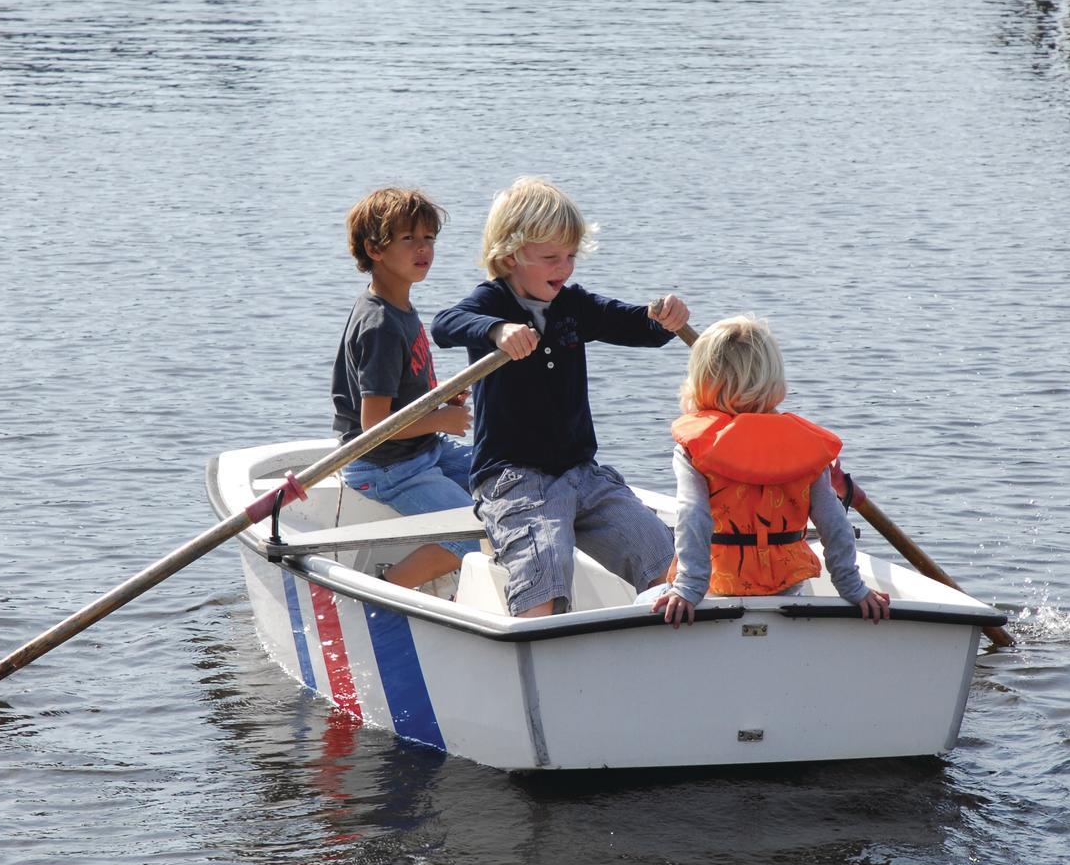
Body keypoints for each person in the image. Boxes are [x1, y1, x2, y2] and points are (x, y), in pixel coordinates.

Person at [431, 177, 690, 618]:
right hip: (514, 477)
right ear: (510, 256)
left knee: (669, 564)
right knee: (545, 572)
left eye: (570, 256)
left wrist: (664, 318)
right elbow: (445, 324)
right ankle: (537, 639)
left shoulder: (572, 305)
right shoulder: (491, 302)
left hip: (582, 473)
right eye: (551, 258)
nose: (565, 268)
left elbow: (632, 324)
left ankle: (674, 639)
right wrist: (497, 331)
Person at [649, 314, 890, 627]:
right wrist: (852, 587)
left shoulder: (694, 447)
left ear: (700, 381)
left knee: (645, 599)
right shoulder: (805, 447)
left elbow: (692, 516)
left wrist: (688, 587)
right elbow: (834, 524)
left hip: (715, 585)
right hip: (785, 587)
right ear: (774, 379)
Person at [330, 186, 478, 591]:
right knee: (473, 535)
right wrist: (441, 420)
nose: (423, 248)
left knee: (505, 477)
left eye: (429, 237)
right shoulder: (379, 325)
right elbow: (374, 426)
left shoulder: (400, 306)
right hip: (384, 466)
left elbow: (401, 390)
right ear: (374, 249)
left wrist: (439, 398)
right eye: (408, 238)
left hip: (421, 450)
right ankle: (383, 593)